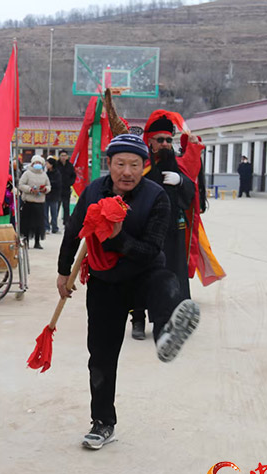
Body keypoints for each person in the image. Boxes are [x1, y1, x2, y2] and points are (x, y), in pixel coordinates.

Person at [57, 134, 200, 450]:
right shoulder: (93, 191)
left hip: (143, 273)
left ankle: (166, 334)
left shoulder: (156, 196)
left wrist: (117, 237)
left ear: (144, 166)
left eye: (134, 165)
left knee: (167, 283)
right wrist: (64, 271)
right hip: (105, 283)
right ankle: (102, 422)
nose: (127, 172)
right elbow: (73, 231)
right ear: (108, 164)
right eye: (120, 164)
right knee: (101, 357)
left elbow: (151, 250)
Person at [130, 112, 196, 340]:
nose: (166, 144)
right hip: (144, 231)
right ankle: (138, 319)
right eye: (160, 140)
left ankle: (167, 320)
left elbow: (193, 194)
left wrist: (182, 182)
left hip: (173, 232)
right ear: (150, 141)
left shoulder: (177, 166)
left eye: (169, 140)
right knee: (140, 274)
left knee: (171, 275)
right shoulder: (141, 167)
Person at [18, 155, 50, 249]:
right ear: (32, 163)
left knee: (38, 224)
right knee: (27, 224)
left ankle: (37, 242)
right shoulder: (27, 173)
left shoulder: (44, 174)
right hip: (28, 202)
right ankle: (26, 241)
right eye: (36, 162)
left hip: (40, 202)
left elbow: (49, 186)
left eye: (39, 163)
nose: (37, 164)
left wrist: (45, 189)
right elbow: (21, 185)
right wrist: (30, 190)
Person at [58, 150, 76, 226]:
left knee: (66, 206)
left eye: (65, 155)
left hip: (66, 188)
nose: (63, 157)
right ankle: (54, 222)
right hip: (57, 189)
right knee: (56, 206)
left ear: (67, 157)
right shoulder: (56, 165)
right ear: (59, 156)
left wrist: (70, 182)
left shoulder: (70, 166)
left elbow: (73, 176)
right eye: (62, 155)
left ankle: (66, 221)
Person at [44, 156, 62, 234]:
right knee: (45, 213)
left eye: (47, 164)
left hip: (54, 196)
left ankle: (54, 227)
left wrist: (49, 184)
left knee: (54, 213)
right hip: (46, 195)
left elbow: (58, 184)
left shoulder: (57, 173)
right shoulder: (46, 173)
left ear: (51, 165)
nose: (46, 165)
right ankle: (46, 227)